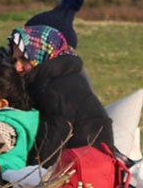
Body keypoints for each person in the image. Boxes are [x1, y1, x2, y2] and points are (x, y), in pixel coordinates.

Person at [7, 23, 112, 168]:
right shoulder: (63, 79)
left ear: (42, 54)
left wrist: (27, 177)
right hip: (92, 167)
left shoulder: (55, 90)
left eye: (24, 59)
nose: (17, 67)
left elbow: (48, 150)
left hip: (82, 172)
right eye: (14, 60)